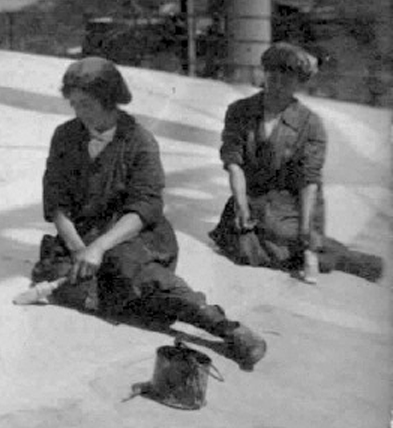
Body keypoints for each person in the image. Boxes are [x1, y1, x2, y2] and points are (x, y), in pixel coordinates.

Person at [24, 57, 267, 370]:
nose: (78, 112)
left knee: (134, 273)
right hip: (83, 238)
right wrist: (79, 249)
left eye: (85, 104)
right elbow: (56, 202)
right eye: (73, 104)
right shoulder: (65, 136)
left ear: (108, 100)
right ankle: (130, 297)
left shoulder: (140, 142)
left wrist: (99, 249)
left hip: (133, 235)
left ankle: (226, 328)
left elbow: (145, 207)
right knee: (52, 274)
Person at [209, 42, 383, 282]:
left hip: (294, 200)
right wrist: (240, 204)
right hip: (254, 196)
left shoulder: (311, 124)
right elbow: (233, 162)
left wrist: (306, 226)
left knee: (287, 236)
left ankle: (351, 261)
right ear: (265, 74)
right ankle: (304, 250)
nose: (278, 86)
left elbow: (308, 181)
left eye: (287, 81)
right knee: (240, 242)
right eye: (273, 77)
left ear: (299, 84)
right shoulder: (240, 111)